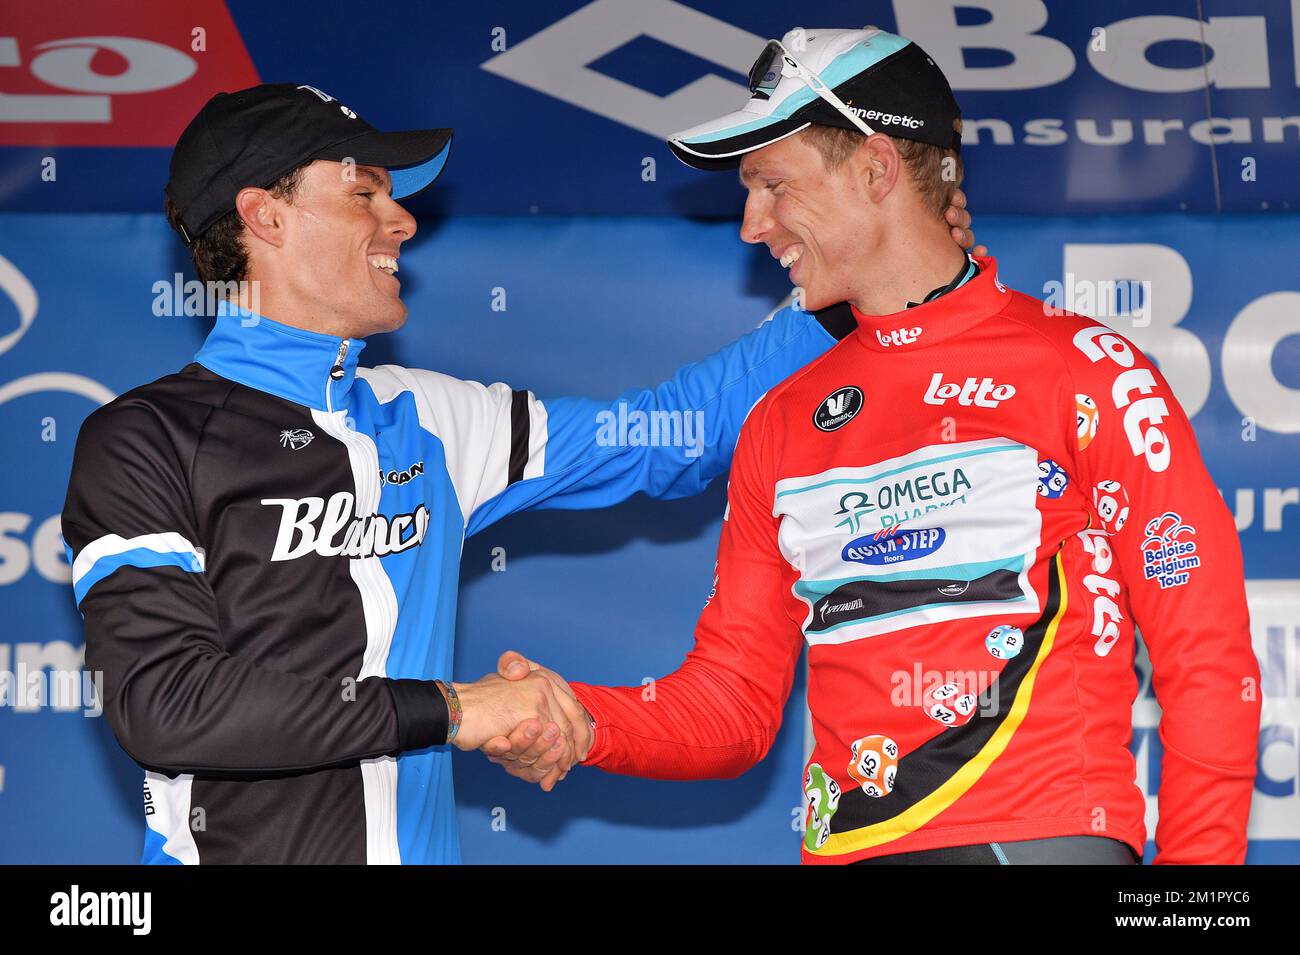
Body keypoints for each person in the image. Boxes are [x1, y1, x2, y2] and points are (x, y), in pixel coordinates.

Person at [60, 81, 981, 864]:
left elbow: (668, 436)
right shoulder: (143, 436)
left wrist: (854, 287)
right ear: (264, 215)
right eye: (365, 193)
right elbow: (168, 705)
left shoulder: (426, 416)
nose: (404, 219)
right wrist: (455, 708)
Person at [486, 28, 1262, 865]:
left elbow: (1205, 651)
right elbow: (734, 702)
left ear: (876, 168)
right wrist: (583, 719)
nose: (753, 225)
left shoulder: (1083, 369)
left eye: (773, 185)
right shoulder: (782, 419)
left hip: (1037, 835)